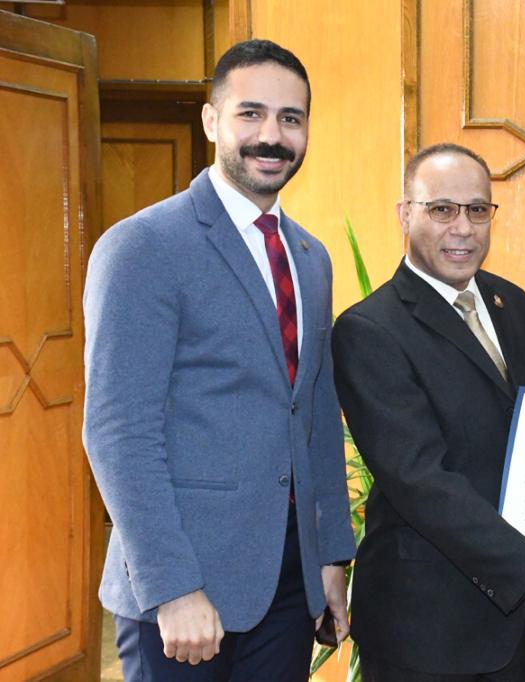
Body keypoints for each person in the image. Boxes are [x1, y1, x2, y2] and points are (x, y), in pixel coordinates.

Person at [83, 39, 355, 681]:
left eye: (291, 118)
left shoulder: (311, 258)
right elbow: (119, 433)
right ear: (211, 121)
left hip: (288, 585)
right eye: (250, 113)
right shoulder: (142, 246)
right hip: (183, 592)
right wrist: (173, 586)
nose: (272, 135)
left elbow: (315, 417)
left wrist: (329, 558)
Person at [332, 143, 525, 681]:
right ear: (405, 214)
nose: (463, 228)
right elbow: (421, 482)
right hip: (427, 632)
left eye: (477, 209)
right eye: (442, 209)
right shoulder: (369, 331)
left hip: (516, 623)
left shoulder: (510, 303)